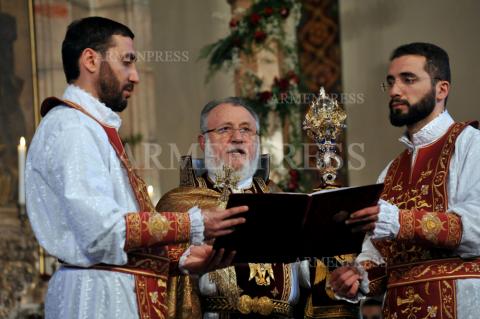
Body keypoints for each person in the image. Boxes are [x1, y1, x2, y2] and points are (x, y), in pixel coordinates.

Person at [25, 17, 247, 319]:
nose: (135, 76)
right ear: (90, 59)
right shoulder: (72, 128)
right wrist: (194, 224)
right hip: (95, 299)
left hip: (114, 289)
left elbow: (116, 236)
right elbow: (101, 232)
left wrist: (180, 258)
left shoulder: (92, 127)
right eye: (127, 62)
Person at [329, 42, 480, 319]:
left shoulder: (472, 144)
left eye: (408, 79)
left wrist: (400, 221)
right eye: (390, 82)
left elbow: (476, 229)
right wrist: (357, 278)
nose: (395, 90)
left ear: (441, 89)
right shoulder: (390, 171)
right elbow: (381, 260)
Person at [157, 97, 310, 318]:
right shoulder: (177, 205)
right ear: (203, 142)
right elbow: (162, 274)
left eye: (246, 130)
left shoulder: (283, 202)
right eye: (224, 129)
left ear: (256, 142)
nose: (237, 138)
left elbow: (307, 277)